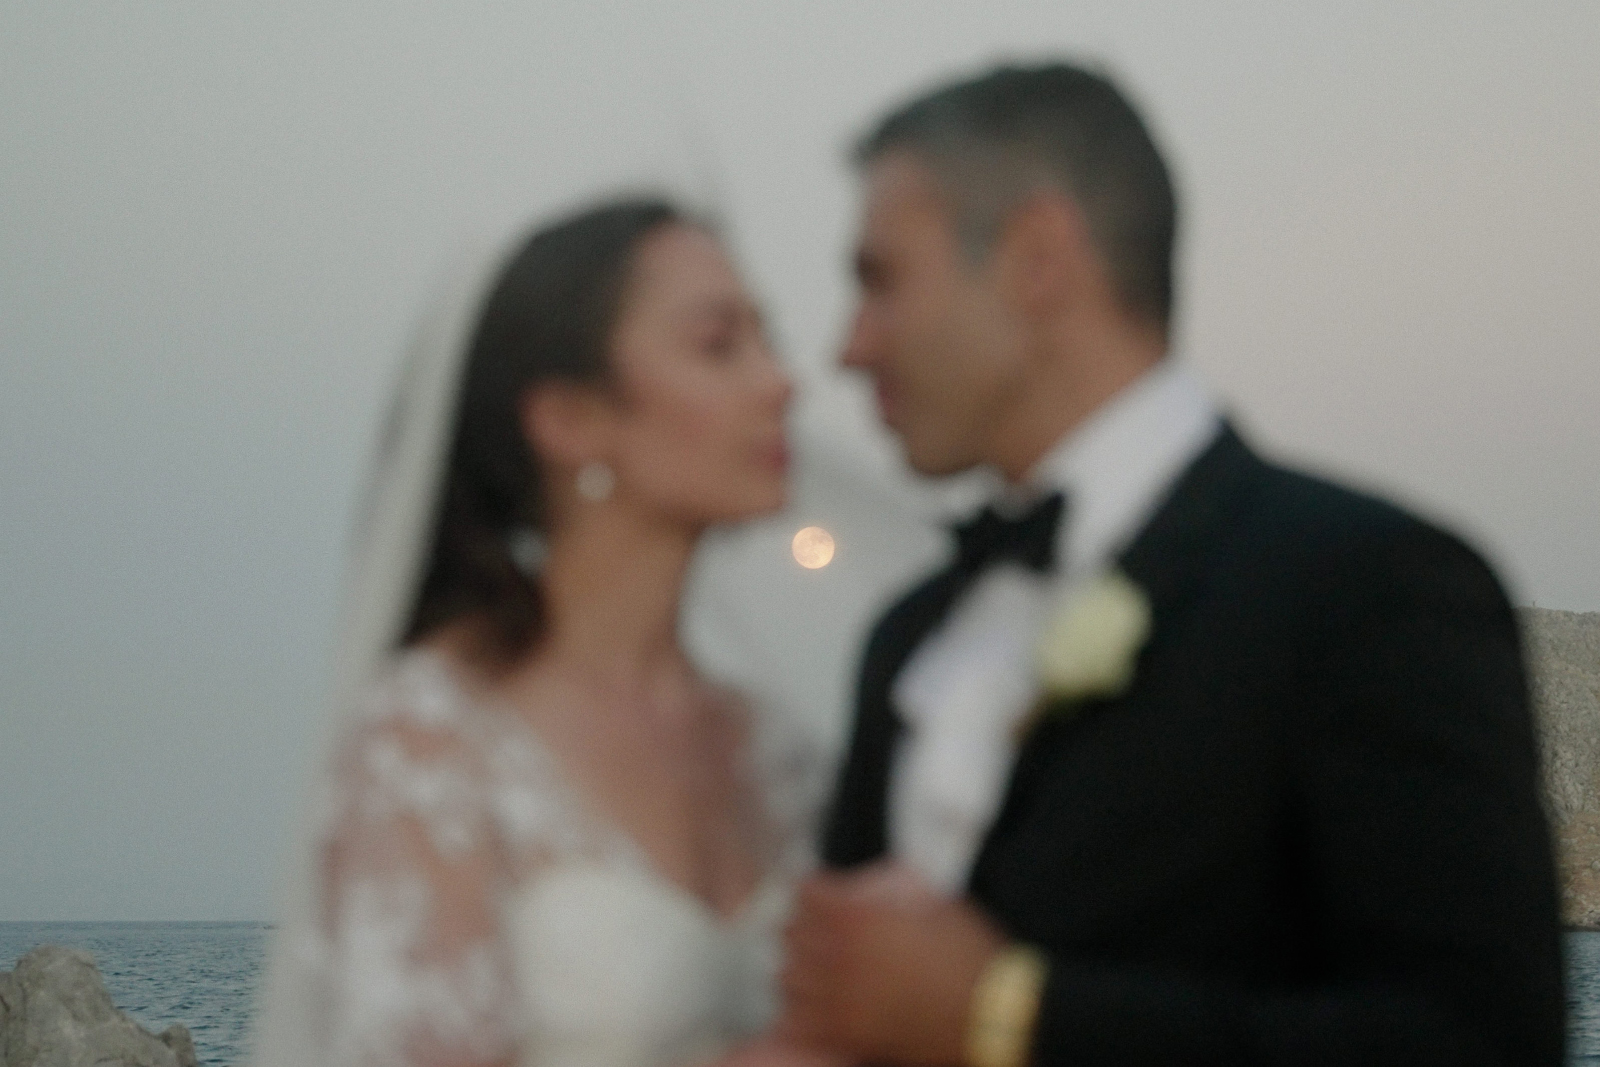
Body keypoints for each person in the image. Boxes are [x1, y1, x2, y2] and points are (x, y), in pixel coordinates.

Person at [778, 63, 1566, 1066]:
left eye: (881, 278)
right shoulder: (907, 637)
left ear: (1037, 256)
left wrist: (1013, 1015)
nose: (848, 345)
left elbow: (1483, 1040)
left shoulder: (1367, 587)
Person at [252, 199, 825, 1067]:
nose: (781, 382)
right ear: (569, 418)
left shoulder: (773, 750)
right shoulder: (435, 739)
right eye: (719, 347)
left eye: (767, 340)